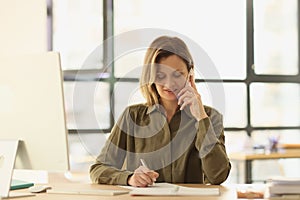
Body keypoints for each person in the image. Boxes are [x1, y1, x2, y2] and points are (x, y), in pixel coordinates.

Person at [89, 36, 231, 187]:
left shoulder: (210, 117)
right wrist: (130, 178)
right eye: (160, 76)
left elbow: (218, 176)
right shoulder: (132, 116)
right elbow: (98, 169)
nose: (169, 84)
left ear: (190, 74)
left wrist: (201, 117)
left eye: (177, 74)